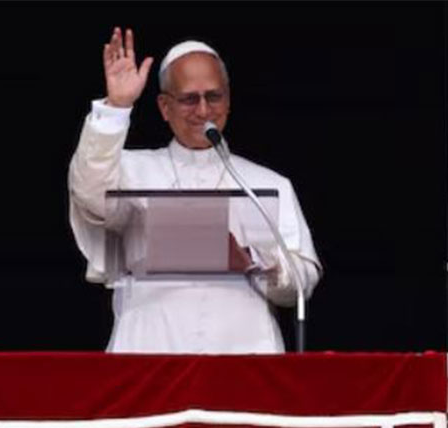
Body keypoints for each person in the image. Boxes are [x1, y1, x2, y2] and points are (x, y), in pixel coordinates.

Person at [68, 30, 322, 354]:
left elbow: (301, 284)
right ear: (164, 106)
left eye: (213, 97)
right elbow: (89, 195)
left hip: (245, 361)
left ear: (228, 100)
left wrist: (250, 261)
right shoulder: (132, 171)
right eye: (189, 99)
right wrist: (117, 107)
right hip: (148, 354)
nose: (203, 111)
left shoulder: (268, 183)